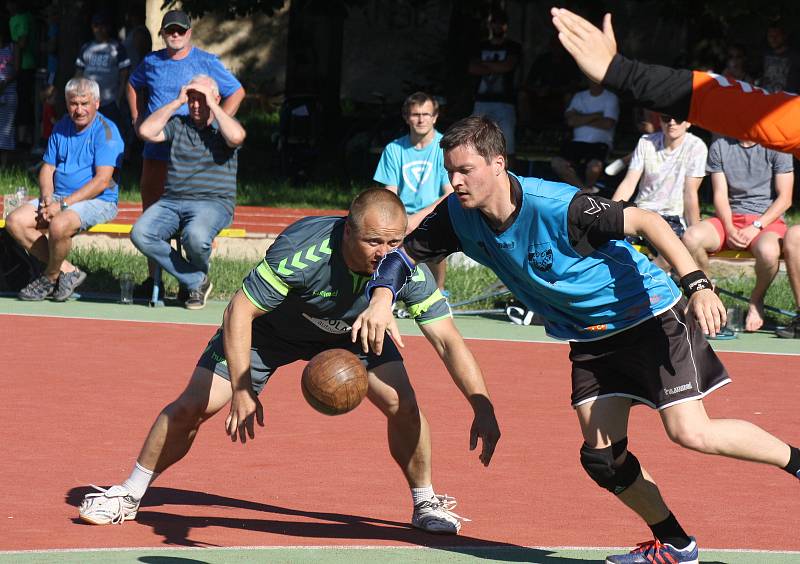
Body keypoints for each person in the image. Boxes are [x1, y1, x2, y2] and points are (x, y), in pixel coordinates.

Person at [352, 116, 800, 564]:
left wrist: (698, 284)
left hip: (647, 319)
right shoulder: (457, 216)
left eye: (465, 170)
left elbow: (647, 222)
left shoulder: (558, 205)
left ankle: (796, 461)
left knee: (690, 432)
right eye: (450, 171)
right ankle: (677, 544)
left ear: (497, 164)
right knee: (603, 460)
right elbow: (402, 256)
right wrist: (381, 298)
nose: (455, 181)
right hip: (590, 340)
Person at [78, 188, 501, 535]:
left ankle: (424, 501)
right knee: (194, 405)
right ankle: (128, 494)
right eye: (374, 242)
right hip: (270, 333)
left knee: (404, 406)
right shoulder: (305, 250)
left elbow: (447, 340)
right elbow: (239, 311)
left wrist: (480, 403)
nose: (384, 252)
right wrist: (242, 388)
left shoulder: (403, 266)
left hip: (354, 334)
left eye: (393, 242)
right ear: (346, 231)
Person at [548, 7, 800, 339]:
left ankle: (750, 303)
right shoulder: (661, 143)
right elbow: (730, 101)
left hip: (744, 223)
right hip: (706, 221)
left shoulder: (701, 146)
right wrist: (621, 73)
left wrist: (622, 72)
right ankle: (706, 299)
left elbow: (727, 104)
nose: (670, 123)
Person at [127, 9, 245, 294]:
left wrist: (216, 124)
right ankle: (153, 277)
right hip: (159, 146)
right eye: (170, 30)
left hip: (194, 147)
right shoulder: (151, 61)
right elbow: (132, 84)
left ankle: (188, 283)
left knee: (192, 225)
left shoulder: (206, 61)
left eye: (181, 30)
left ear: (189, 32)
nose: (176, 35)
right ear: (163, 34)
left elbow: (237, 92)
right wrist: (136, 118)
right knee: (154, 218)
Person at [3, 78, 123, 302]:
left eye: (84, 103)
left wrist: (62, 205)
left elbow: (102, 182)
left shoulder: (107, 132)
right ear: (66, 103)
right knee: (14, 221)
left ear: (96, 103)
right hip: (59, 197)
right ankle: (68, 270)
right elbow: (48, 167)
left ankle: (49, 276)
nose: (78, 110)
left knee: (59, 224)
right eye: (73, 103)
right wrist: (48, 198)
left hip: (98, 199)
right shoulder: (61, 127)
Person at [132, 76, 245, 309]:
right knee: (141, 233)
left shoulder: (223, 127)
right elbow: (145, 131)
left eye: (200, 100)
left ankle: (193, 284)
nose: (195, 105)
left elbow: (236, 137)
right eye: (192, 100)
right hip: (172, 202)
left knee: (195, 237)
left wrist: (213, 105)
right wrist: (176, 102)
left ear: (215, 99)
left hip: (213, 203)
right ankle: (196, 281)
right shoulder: (178, 124)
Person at [682, 138, 792, 332]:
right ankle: (708, 296)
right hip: (729, 219)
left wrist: (756, 226)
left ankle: (756, 300)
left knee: (768, 252)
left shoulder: (778, 147)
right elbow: (720, 195)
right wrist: (730, 228)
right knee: (691, 237)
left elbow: (785, 199)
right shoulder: (719, 146)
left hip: (767, 220)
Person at [373, 92, 452, 291]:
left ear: (435, 117)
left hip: (434, 211)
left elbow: (450, 194)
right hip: (402, 214)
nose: (421, 119)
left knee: (434, 236)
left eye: (426, 114)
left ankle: (440, 292)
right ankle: (386, 288)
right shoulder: (394, 149)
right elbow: (390, 194)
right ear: (406, 117)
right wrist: (399, 218)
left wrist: (418, 217)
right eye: (415, 114)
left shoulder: (445, 147)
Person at [611, 112, 708, 270]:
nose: (671, 122)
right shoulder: (646, 142)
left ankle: (647, 281)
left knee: (670, 255)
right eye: (666, 118)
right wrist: (609, 214)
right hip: (641, 212)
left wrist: (695, 230)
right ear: (660, 121)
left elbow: (690, 193)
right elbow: (629, 183)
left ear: (688, 122)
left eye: (678, 118)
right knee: (610, 243)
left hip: (672, 217)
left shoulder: (696, 147)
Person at [469, 9, 521, 165]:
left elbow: (508, 66)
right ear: (489, 25)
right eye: (494, 22)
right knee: (474, 139)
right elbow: (472, 68)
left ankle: (510, 179)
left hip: (505, 102)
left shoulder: (513, 46)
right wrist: (498, 66)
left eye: (501, 23)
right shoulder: (480, 46)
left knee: (507, 143)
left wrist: (484, 66)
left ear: (506, 26)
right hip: (481, 100)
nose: (497, 26)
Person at [550, 80, 619, 193]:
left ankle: (586, 192)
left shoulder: (611, 97)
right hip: (577, 142)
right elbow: (570, 121)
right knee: (557, 163)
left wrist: (580, 118)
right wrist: (597, 115)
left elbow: (607, 124)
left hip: (600, 143)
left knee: (594, 167)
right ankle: (585, 192)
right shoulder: (579, 96)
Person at [75, 13, 131, 127]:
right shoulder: (86, 48)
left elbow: (124, 75)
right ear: (92, 27)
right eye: (96, 26)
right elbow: (78, 74)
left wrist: (119, 99)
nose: (99, 29)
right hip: (87, 102)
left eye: (103, 26)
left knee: (109, 134)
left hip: (110, 103)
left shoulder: (117, 48)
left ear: (108, 28)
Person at [7, 1, 35, 147]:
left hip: (25, 66)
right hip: (15, 65)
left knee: (23, 101)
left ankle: (24, 139)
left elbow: (22, 43)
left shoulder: (24, 18)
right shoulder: (13, 19)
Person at [759, 21, 800, 94]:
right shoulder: (765, 55)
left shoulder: (795, 56)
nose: (774, 39)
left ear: (784, 36)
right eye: (770, 36)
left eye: (777, 35)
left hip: (787, 100)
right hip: (767, 99)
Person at [0, 20, 18, 165]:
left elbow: (17, 69)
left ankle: (5, 165)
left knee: (6, 129)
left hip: (9, 91)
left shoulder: (13, 47)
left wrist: (5, 82)